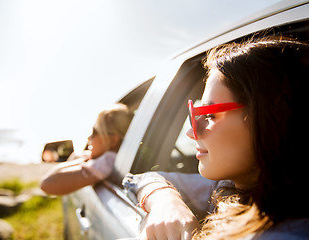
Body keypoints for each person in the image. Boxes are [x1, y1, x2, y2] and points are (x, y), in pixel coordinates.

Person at [123, 37, 309, 239]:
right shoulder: (232, 186)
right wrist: (165, 200)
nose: (191, 132)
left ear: (273, 118)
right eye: (194, 114)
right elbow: (142, 178)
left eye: (209, 115)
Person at [41, 103, 133, 195]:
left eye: (95, 132)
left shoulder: (108, 159)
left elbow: (47, 184)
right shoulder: (119, 159)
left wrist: (84, 159)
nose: (89, 137)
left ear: (113, 140)